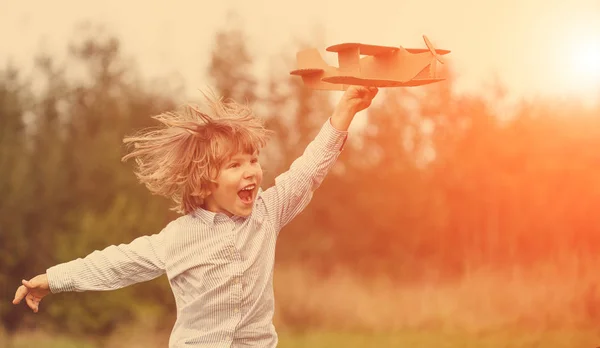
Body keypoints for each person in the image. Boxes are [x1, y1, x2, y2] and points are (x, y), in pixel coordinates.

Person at [12, 85, 379, 347]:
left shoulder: (268, 211)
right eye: (235, 165)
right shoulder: (178, 238)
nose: (250, 171)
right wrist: (53, 279)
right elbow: (117, 264)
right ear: (205, 182)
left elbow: (308, 170)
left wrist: (343, 113)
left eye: (253, 160)